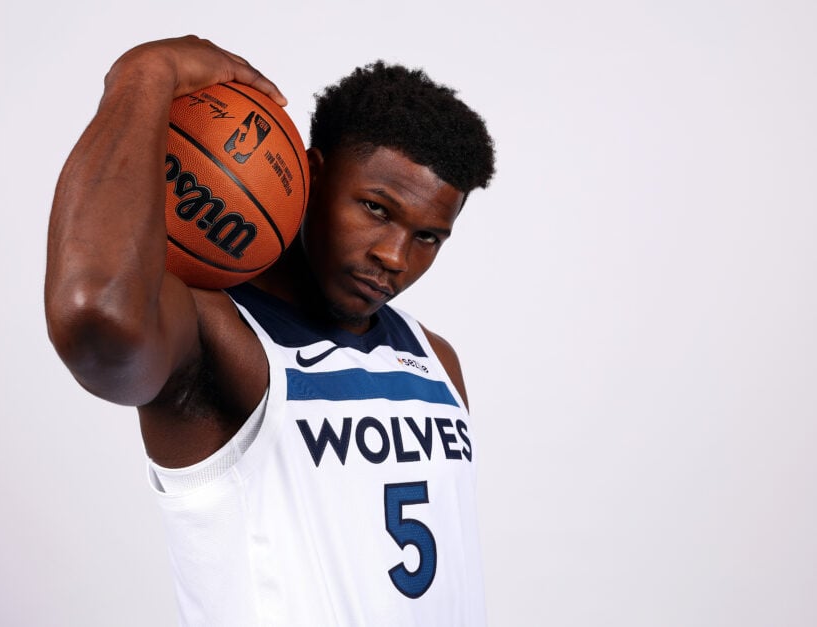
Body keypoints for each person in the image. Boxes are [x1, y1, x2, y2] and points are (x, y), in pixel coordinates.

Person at [45, 34, 495, 626]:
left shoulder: (435, 361)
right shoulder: (218, 334)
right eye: (377, 209)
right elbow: (94, 319)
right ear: (310, 175)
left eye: (428, 237)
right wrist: (143, 73)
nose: (394, 255)